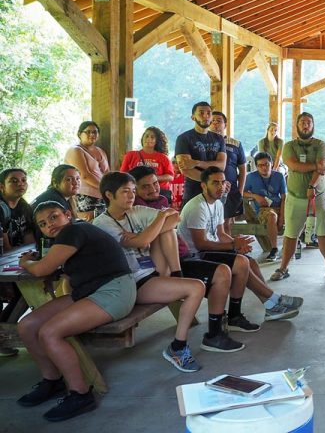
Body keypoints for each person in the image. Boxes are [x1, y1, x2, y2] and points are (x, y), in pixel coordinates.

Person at [16, 201, 135, 421]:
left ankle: (80, 394)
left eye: (53, 217)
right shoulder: (68, 238)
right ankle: (52, 380)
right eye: (42, 224)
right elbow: (69, 275)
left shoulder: (74, 230)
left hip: (114, 291)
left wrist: (25, 263)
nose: (49, 225)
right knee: (27, 325)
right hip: (89, 291)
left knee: (50, 332)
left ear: (67, 215)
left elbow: (42, 268)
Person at [92, 172, 208, 371]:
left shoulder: (135, 210)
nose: (131, 196)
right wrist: (154, 224)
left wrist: (144, 233)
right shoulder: (103, 223)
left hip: (152, 270)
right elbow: (144, 241)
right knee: (196, 287)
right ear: (109, 195)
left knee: (166, 229)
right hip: (132, 281)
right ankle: (178, 348)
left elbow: (175, 219)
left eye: (133, 191)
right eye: (125, 191)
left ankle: (176, 272)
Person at [129, 165, 245, 354]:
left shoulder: (161, 200)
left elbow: (175, 219)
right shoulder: (137, 210)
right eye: (145, 187)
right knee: (223, 273)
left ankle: (222, 327)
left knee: (236, 265)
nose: (153, 189)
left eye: (155, 183)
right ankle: (215, 334)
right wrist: (163, 222)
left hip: (183, 256)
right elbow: (149, 240)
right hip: (168, 264)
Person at [179, 166, 302, 324]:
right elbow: (201, 244)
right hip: (195, 257)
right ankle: (273, 299)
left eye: (223, 182)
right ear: (203, 185)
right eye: (215, 183)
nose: (220, 187)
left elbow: (220, 234)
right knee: (241, 263)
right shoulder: (197, 207)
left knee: (249, 260)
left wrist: (236, 244)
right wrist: (232, 246)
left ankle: (270, 304)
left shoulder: (216, 203)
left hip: (208, 251)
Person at [276, 112, 325, 282]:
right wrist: (315, 166)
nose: (305, 125)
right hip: (295, 197)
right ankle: (283, 268)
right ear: (297, 126)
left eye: (309, 123)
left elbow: (323, 168)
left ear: (313, 126)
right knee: (291, 234)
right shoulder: (289, 146)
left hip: (319, 196)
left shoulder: (321, 145)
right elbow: (293, 164)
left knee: (324, 232)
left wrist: (311, 185)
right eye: (302, 123)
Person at [174, 102, 226, 206]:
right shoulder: (184, 138)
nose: (206, 116)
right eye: (201, 113)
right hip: (193, 191)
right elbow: (186, 169)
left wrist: (197, 163)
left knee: (216, 221)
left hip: (216, 191)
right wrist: (209, 183)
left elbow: (222, 165)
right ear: (193, 117)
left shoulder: (219, 138)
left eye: (208, 113)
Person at [242, 152, 284, 262]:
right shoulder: (251, 177)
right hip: (264, 209)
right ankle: (274, 249)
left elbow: (284, 197)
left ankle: (305, 240)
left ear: (271, 164)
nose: (264, 168)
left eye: (266, 164)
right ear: (256, 166)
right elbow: (242, 192)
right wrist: (255, 196)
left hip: (279, 206)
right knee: (271, 216)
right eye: (260, 165)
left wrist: (282, 217)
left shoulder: (279, 176)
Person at [63, 121, 110, 219]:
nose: (92, 134)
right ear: (80, 134)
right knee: (90, 224)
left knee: (104, 224)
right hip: (86, 195)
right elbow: (84, 175)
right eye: (88, 132)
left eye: (95, 132)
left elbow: (107, 173)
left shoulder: (101, 151)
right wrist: (106, 189)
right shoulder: (76, 150)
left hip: (103, 195)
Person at [210, 111, 246, 225]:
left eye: (219, 121)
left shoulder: (236, 144)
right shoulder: (205, 144)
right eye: (212, 121)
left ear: (225, 125)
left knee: (227, 223)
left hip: (231, 190)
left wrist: (240, 191)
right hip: (210, 188)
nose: (215, 123)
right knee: (209, 220)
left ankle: (227, 242)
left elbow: (243, 169)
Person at [119, 127, 175, 195]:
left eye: (152, 137)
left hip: (158, 193)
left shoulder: (163, 158)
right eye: (146, 136)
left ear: (157, 141)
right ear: (142, 138)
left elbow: (170, 177)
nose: (149, 139)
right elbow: (123, 173)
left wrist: (153, 179)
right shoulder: (131, 155)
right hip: (137, 192)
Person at [1, 168, 34, 248]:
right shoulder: (1, 209)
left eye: (24, 180)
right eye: (14, 181)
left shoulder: (25, 207)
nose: (20, 184)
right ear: (2, 187)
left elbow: (29, 237)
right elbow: (6, 248)